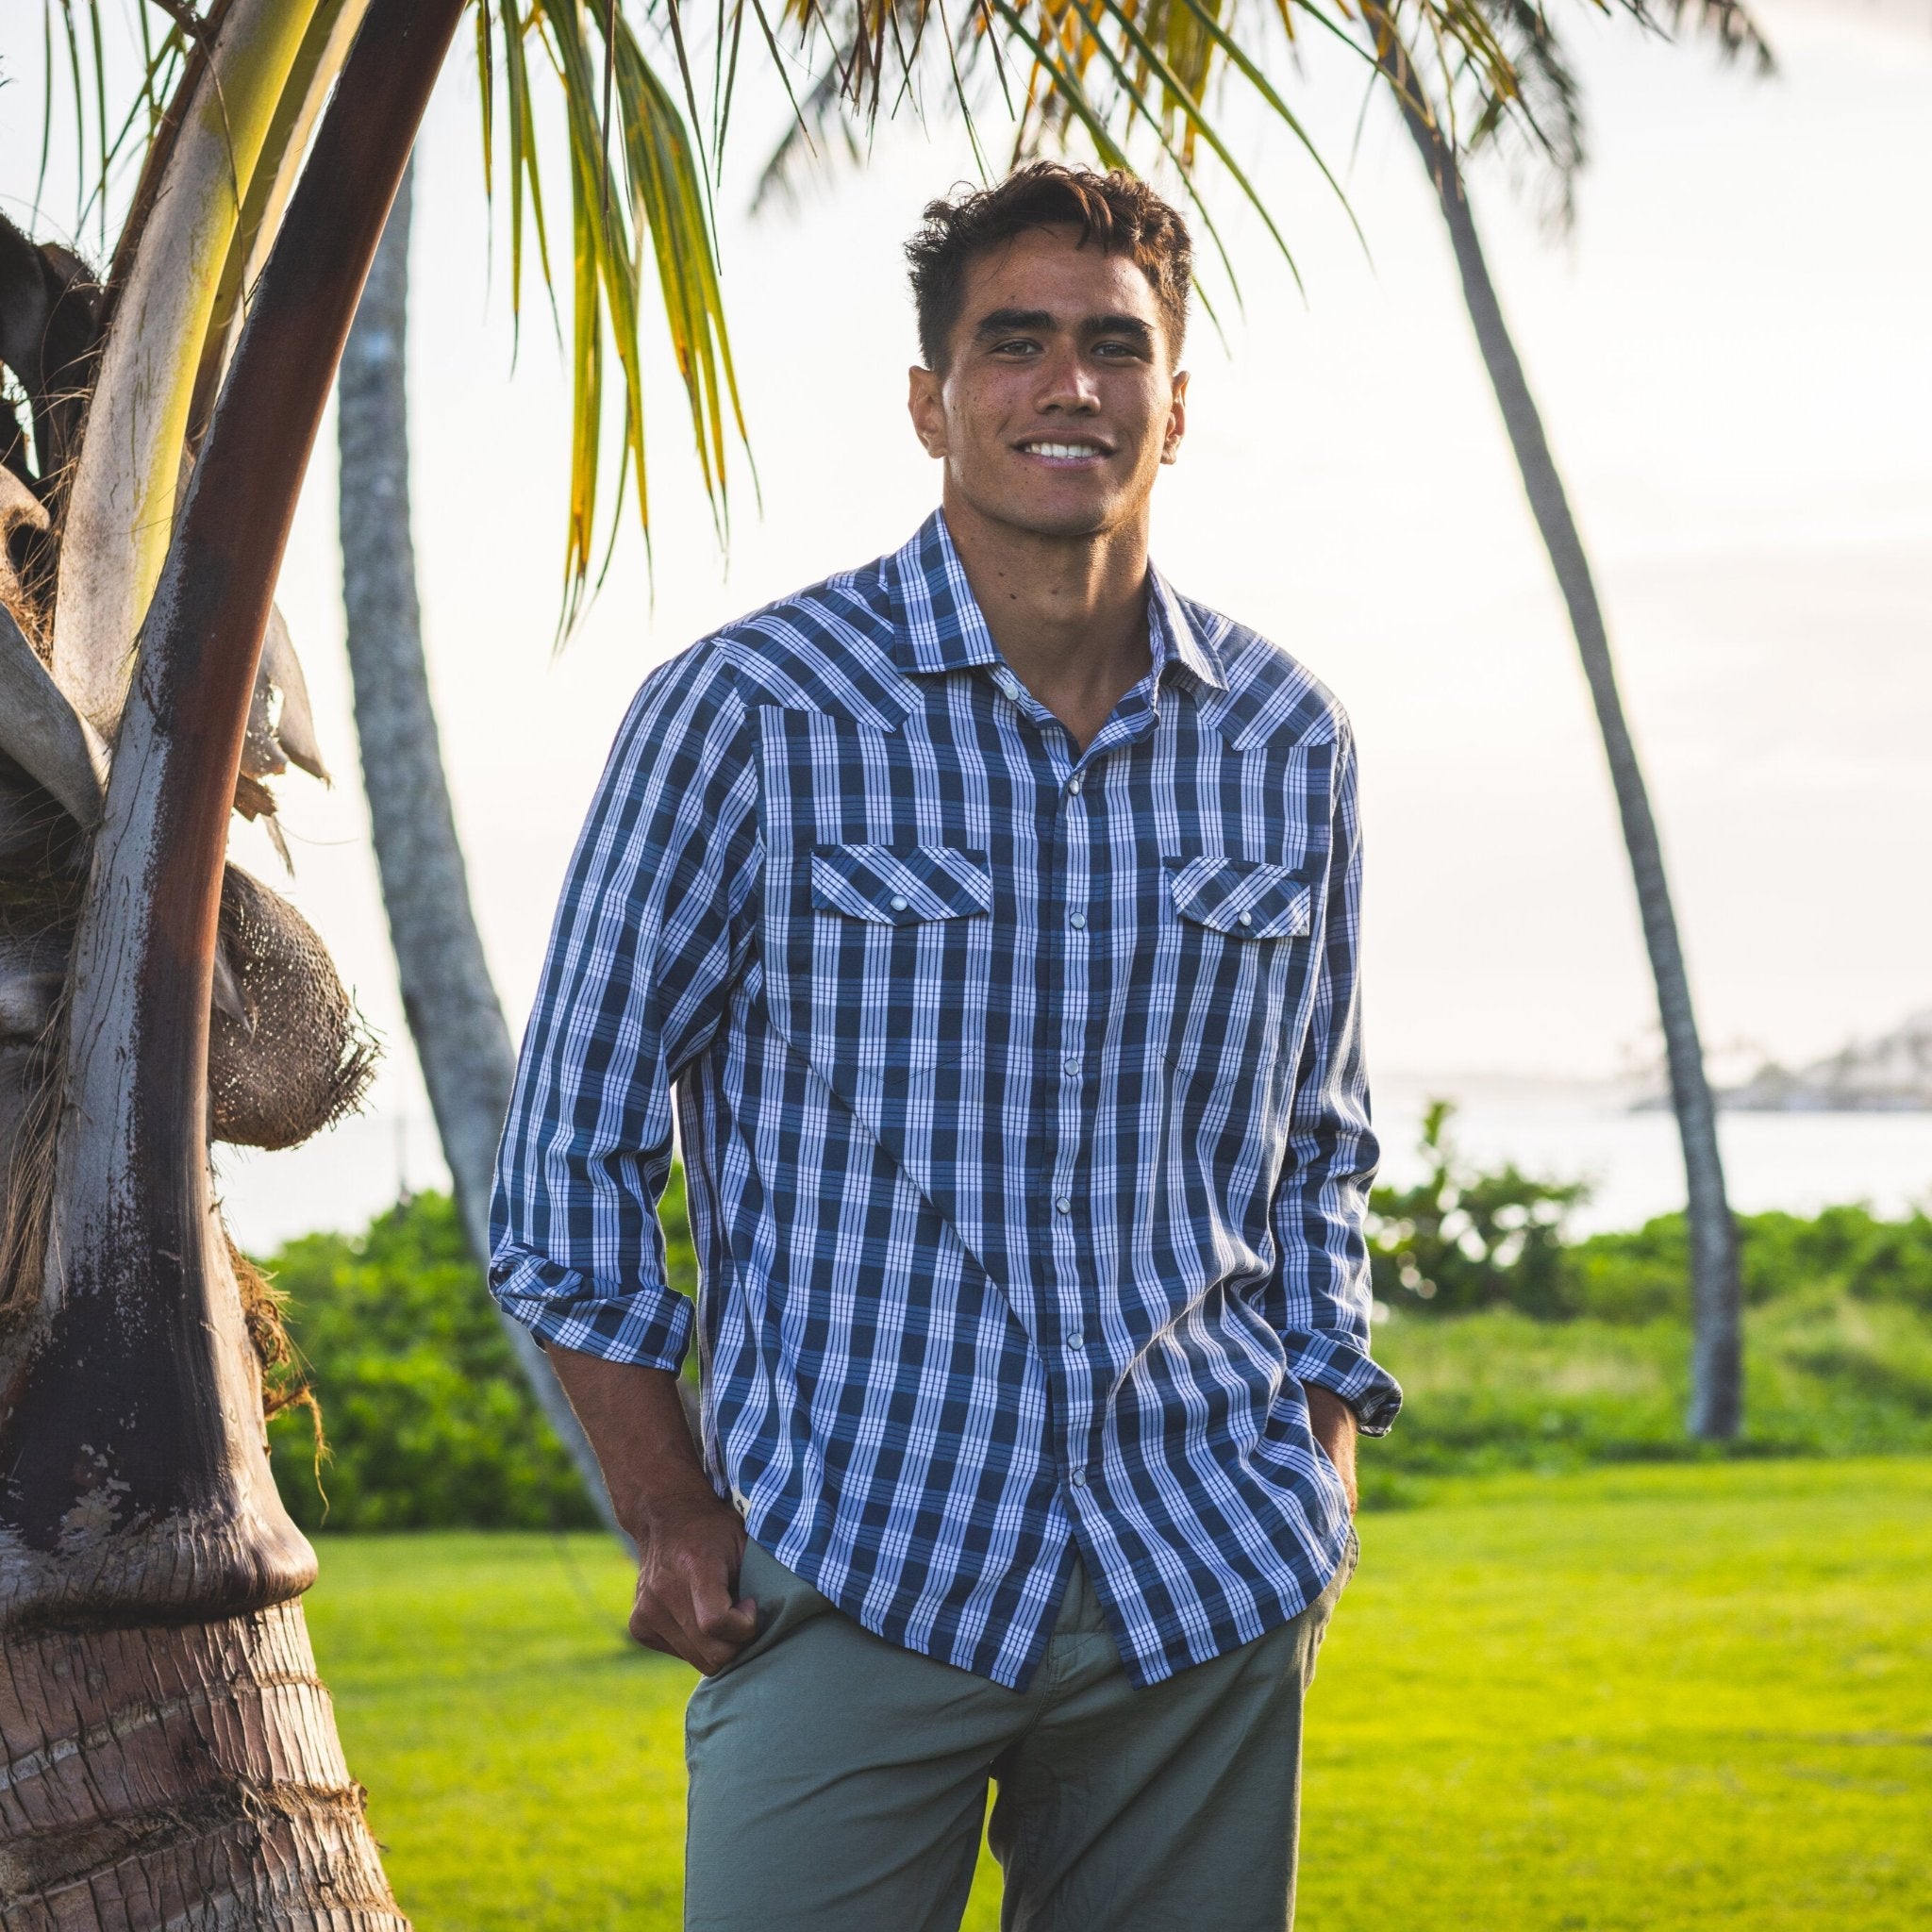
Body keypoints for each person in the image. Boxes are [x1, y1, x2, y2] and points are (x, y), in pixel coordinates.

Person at [491, 159, 1401, 1932]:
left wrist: (1316, 1471)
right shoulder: (748, 713)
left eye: (1114, 348)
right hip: (847, 1571)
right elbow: (572, 1151)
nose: (1069, 384)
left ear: (1177, 401)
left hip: (1199, 1591)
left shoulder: (1290, 740)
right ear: (933, 398)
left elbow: (1322, 1144)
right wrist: (671, 1509)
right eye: (1016, 344)